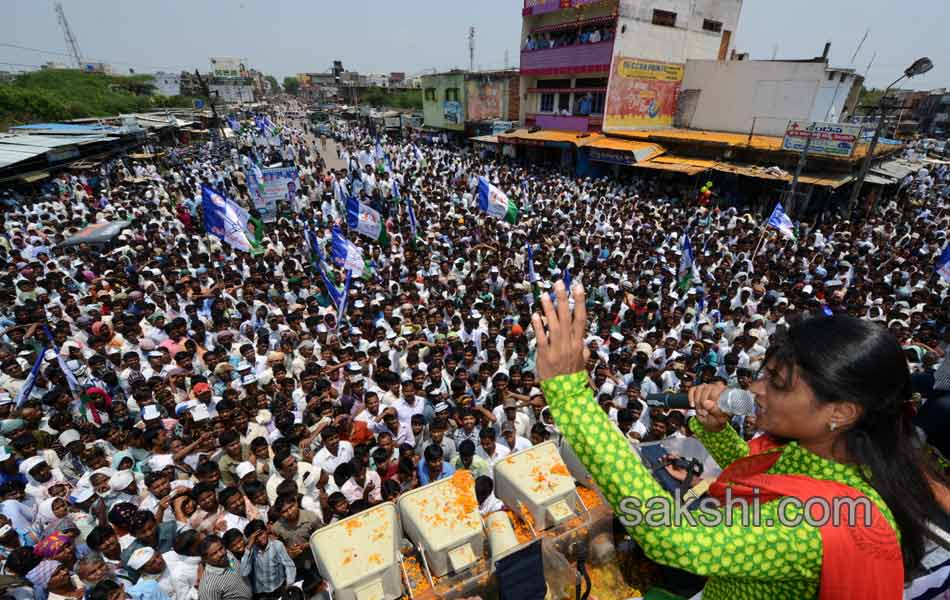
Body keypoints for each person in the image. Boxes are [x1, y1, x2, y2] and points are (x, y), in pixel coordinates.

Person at [532, 281, 949, 600]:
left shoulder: (826, 522)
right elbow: (767, 482)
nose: (757, 389)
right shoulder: (837, 453)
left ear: (840, 411)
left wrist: (569, 394)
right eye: (764, 373)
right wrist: (717, 434)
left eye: (779, 384)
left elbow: (674, 538)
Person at [238, 520, 295, 600]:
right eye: (255, 537)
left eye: (261, 534)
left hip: (278, 588)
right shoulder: (250, 551)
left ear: (266, 531)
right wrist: (249, 546)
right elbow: (244, 573)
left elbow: (289, 565)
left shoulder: (277, 545)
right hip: (261, 594)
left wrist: (289, 584)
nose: (260, 539)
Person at [196, 535, 251, 600]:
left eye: (221, 548)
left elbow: (233, 567)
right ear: (205, 558)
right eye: (214, 553)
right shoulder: (208, 587)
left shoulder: (227, 554)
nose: (220, 554)